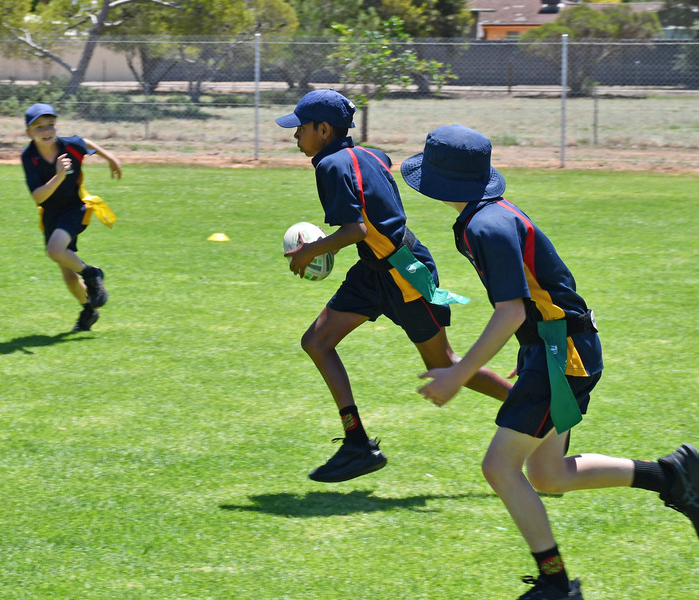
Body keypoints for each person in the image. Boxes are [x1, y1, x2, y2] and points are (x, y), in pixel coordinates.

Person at [401, 124, 698, 599]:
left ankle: (556, 585)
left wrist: (459, 375)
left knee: (500, 468)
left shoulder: (485, 225)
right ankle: (672, 475)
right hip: (556, 348)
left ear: (439, 182)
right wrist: (532, 344)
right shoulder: (486, 216)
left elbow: (511, 309)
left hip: (564, 354)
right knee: (548, 475)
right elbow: (540, 295)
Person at [274, 90, 512, 484]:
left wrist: (310, 251)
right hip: (375, 270)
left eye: (300, 128)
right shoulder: (368, 154)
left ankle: (536, 412)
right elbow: (379, 172)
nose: (296, 136)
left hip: (404, 272)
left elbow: (356, 229)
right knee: (316, 341)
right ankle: (357, 444)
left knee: (443, 366)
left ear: (323, 129)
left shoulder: (330, 166)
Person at [21, 103, 121, 331]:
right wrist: (58, 175)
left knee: (55, 251)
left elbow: (85, 143)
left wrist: (110, 158)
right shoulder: (30, 157)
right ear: (29, 132)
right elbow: (38, 196)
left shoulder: (70, 146)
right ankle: (89, 310)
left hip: (75, 208)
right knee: (68, 277)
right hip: (50, 213)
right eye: (38, 127)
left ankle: (93, 274)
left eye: (50, 125)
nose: (46, 131)